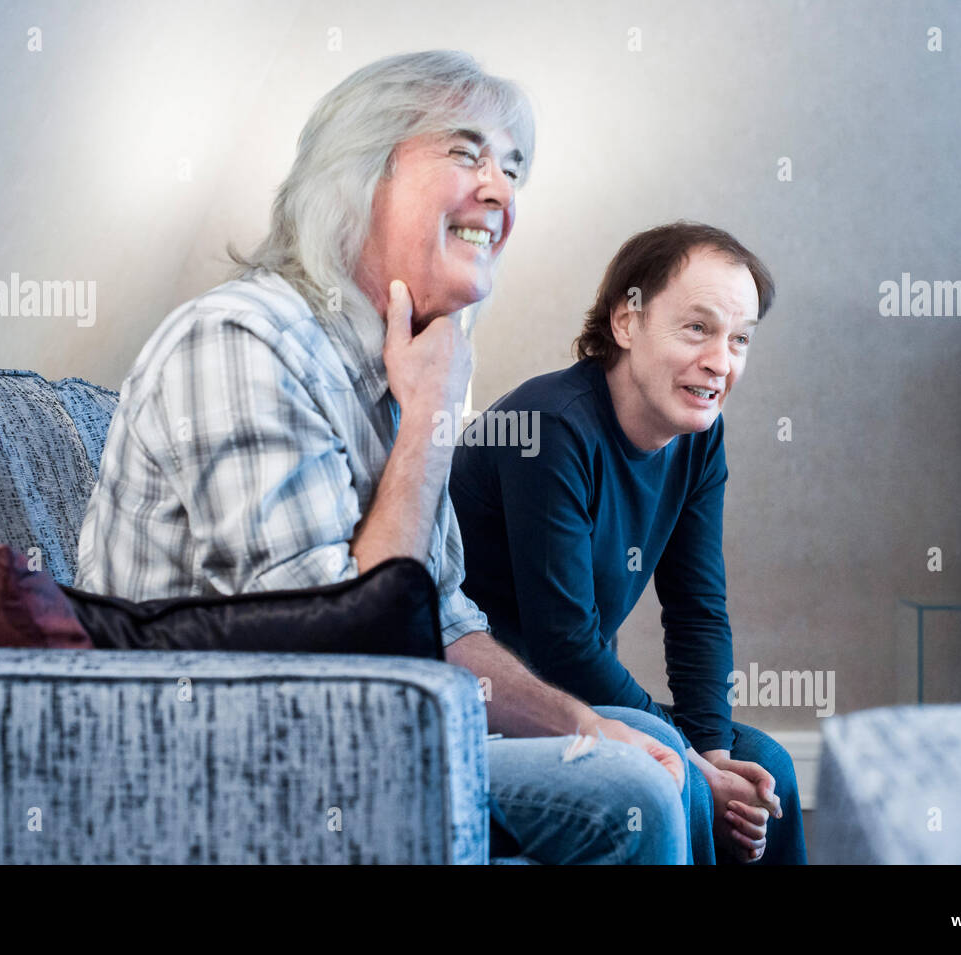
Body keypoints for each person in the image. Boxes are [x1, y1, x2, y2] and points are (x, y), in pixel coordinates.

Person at [75, 51, 692, 864]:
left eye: (512, 168)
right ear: (358, 175)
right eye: (467, 153)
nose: (501, 190)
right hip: (234, 765)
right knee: (630, 793)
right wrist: (435, 415)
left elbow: (442, 622)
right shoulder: (243, 342)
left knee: (653, 744)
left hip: (353, 741)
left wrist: (584, 723)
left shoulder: (395, 371)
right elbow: (343, 659)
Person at [450, 221, 808, 863]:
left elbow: (698, 610)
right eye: (697, 328)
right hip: (493, 704)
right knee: (676, 771)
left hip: (575, 694)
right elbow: (565, 646)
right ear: (627, 322)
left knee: (766, 763)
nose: (721, 362)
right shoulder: (547, 428)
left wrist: (716, 751)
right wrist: (699, 769)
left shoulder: (698, 438)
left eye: (740, 339)